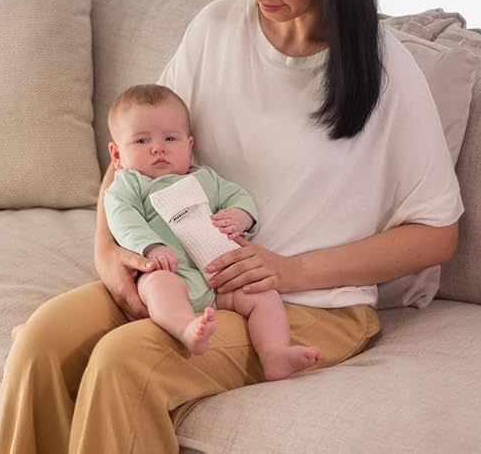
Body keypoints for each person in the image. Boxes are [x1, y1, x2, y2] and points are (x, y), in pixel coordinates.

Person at [0, 0, 462, 454]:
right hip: (188, 279)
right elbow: (133, 160)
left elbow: (436, 233)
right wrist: (111, 258)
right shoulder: (215, 30)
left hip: (310, 308)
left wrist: (290, 270)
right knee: (41, 341)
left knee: (123, 364)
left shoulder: (385, 69)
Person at [101, 83, 321, 381]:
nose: (158, 147)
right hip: (169, 271)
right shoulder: (129, 185)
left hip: (220, 277)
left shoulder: (206, 179)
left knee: (264, 295)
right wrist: (151, 248)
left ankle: (275, 353)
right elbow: (122, 218)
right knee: (160, 289)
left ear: (190, 146)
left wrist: (240, 216)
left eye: (170, 138)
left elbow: (240, 197)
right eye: (141, 141)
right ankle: (186, 328)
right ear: (117, 155)